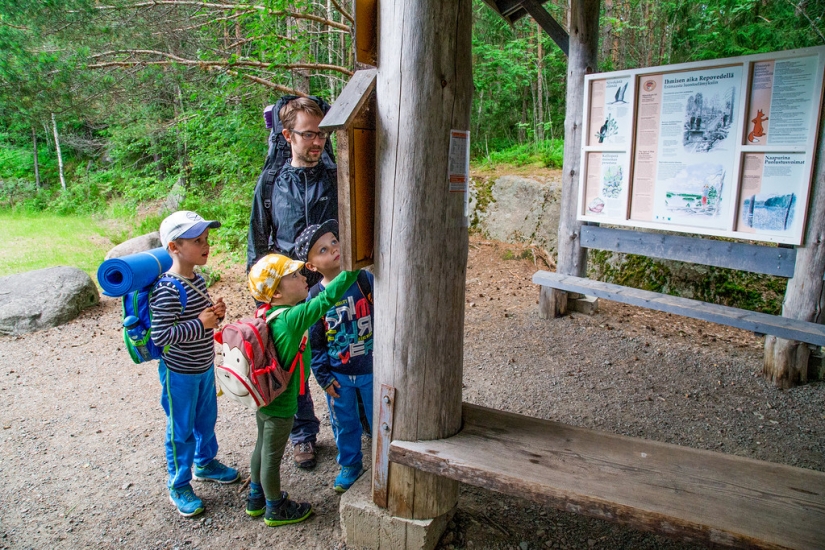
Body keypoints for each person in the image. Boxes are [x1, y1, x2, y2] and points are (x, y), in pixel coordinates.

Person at [246, 96, 338, 469]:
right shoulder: (271, 182)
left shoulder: (336, 175)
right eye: (309, 135)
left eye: (323, 135)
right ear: (286, 135)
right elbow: (258, 239)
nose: (318, 142)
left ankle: (356, 416)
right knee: (293, 363)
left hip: (331, 280)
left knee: (345, 350)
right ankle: (303, 433)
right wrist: (263, 298)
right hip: (289, 289)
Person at [245, 254, 360, 526]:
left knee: (262, 447)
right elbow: (326, 300)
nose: (302, 278)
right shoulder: (292, 317)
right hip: (281, 404)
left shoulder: (267, 312)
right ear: (275, 293)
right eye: (294, 277)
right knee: (272, 456)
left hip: (264, 397)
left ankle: (255, 496)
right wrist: (352, 270)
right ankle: (275, 507)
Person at [150, 210, 239, 517]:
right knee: (181, 429)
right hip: (179, 375)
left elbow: (202, 322)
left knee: (205, 420)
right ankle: (178, 483)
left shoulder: (196, 279)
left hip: (203, 368)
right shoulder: (167, 288)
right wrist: (202, 323)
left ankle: (205, 462)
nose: (206, 245)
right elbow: (161, 336)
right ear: (174, 247)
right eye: (197, 240)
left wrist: (216, 314)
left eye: (206, 239)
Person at [295, 220, 374, 493]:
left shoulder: (364, 279)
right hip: (338, 375)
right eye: (323, 249)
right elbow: (315, 343)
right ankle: (350, 464)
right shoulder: (315, 297)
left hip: (372, 369)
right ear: (312, 266)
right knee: (345, 422)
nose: (333, 249)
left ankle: (388, 461)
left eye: (334, 242)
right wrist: (324, 376)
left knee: (381, 419)